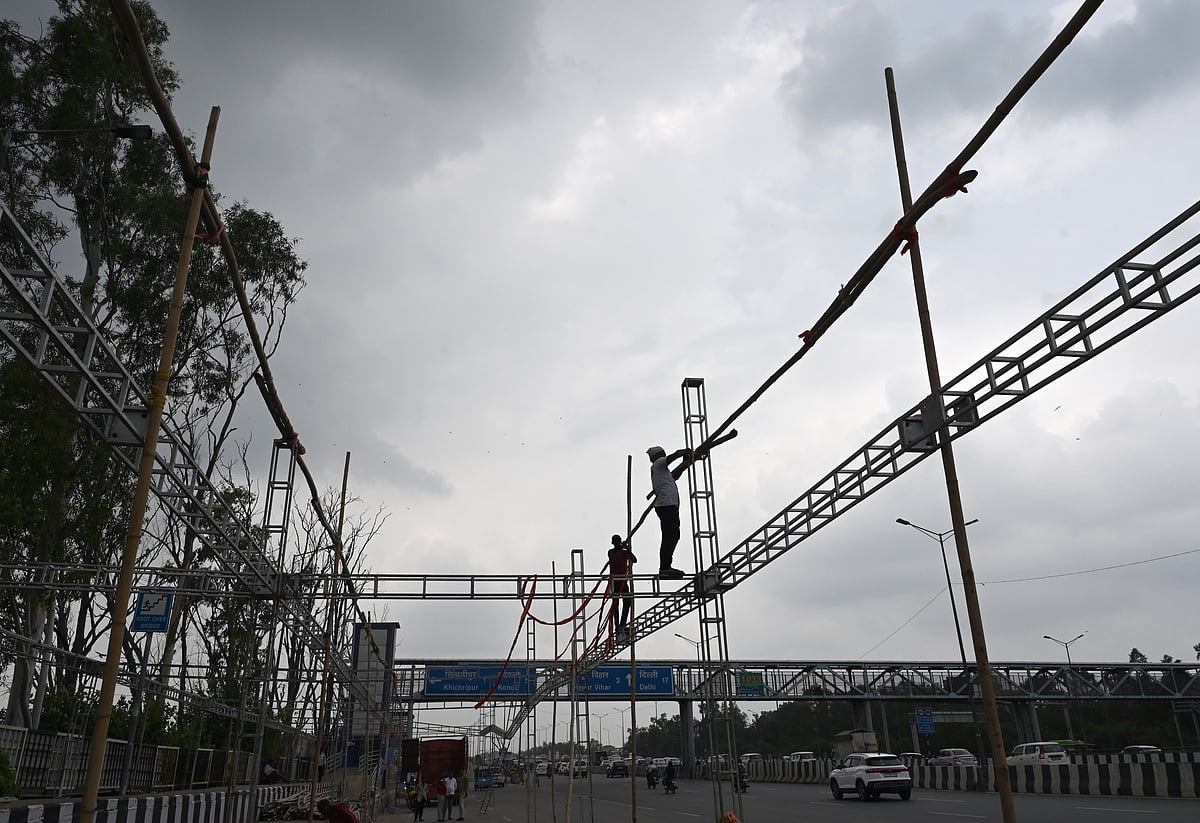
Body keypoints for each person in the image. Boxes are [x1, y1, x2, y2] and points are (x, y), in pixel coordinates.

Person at [646, 445, 693, 578]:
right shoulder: (658, 463)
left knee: (672, 535)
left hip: (667, 505)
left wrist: (685, 460)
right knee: (671, 536)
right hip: (666, 505)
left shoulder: (662, 471)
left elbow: (676, 474)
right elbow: (674, 455)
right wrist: (685, 451)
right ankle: (665, 567)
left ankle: (665, 566)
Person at [608, 534, 637, 637]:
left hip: (623, 581)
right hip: (615, 581)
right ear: (613, 543)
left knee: (627, 602)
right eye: (615, 542)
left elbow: (634, 560)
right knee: (615, 604)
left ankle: (622, 625)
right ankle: (617, 626)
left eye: (618, 541)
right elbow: (615, 558)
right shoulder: (611, 552)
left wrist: (627, 549)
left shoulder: (624, 552)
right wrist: (622, 549)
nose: (617, 543)